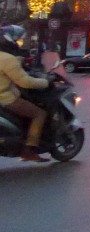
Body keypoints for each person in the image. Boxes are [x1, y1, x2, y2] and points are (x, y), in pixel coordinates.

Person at [0, 25, 51, 162]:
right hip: (6, 98)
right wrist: (46, 82)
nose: (20, 43)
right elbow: (24, 82)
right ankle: (29, 149)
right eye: (19, 40)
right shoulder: (7, 59)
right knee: (39, 114)